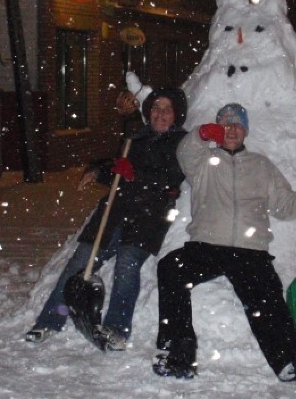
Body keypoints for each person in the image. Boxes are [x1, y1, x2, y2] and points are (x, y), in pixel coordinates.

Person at [153, 103, 296, 396]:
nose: (231, 129)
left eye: (237, 125)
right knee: (170, 268)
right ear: (218, 129)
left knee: (269, 304)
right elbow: (185, 152)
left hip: (249, 250)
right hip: (207, 246)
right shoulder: (203, 162)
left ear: (246, 130)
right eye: (225, 124)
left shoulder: (262, 166)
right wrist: (200, 134)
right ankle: (178, 355)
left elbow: (285, 207)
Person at [25, 87, 188, 351]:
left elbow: (170, 179)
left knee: (127, 263)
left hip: (149, 217)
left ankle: (116, 330)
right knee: (79, 263)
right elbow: (118, 165)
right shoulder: (137, 138)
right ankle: (49, 321)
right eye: (157, 108)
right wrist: (100, 172)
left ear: (176, 114)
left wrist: (134, 176)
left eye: (167, 109)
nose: (161, 114)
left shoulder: (182, 143)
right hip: (114, 211)